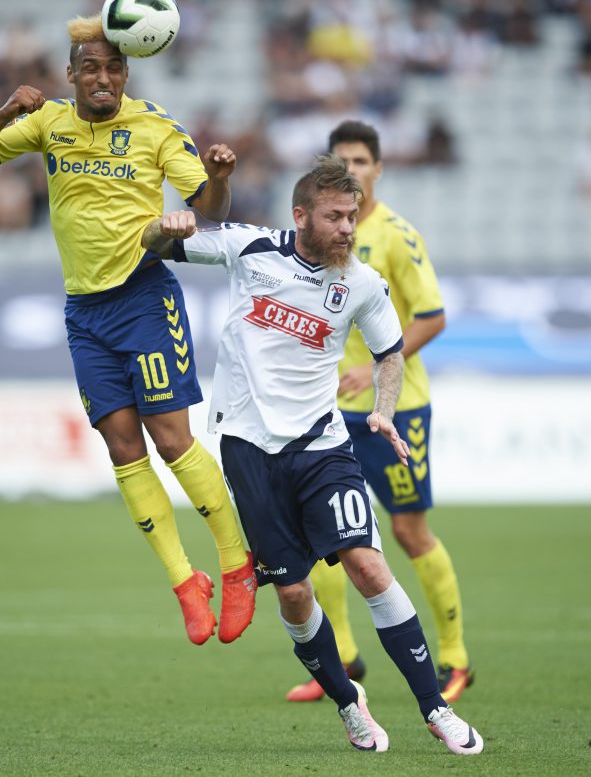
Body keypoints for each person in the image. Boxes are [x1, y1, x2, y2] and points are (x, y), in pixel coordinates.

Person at [141, 155, 483, 755]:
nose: (348, 228)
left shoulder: (362, 283)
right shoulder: (249, 249)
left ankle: (436, 708)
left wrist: (383, 409)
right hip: (249, 451)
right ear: (300, 216)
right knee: (295, 594)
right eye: (335, 217)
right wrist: (164, 225)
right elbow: (154, 246)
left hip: (324, 447)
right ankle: (350, 703)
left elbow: (389, 354)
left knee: (368, 565)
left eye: (352, 216)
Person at [0, 15, 256, 645]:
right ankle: (185, 583)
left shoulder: (156, 127)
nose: (102, 78)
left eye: (114, 68)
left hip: (143, 297)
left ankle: (236, 563)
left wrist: (220, 179)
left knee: (171, 439)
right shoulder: (48, 123)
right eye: (89, 67)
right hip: (84, 313)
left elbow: (211, 212)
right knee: (122, 448)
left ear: (126, 74)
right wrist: (6, 110)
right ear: (69, 74)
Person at [286, 120, 472, 706]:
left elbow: (432, 316)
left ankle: (455, 657)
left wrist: (374, 369)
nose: (353, 171)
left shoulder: (396, 236)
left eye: (361, 161)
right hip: (327, 410)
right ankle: (342, 658)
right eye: (342, 162)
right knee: (323, 535)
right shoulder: (313, 237)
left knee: (408, 531)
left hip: (396, 409)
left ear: (378, 169)